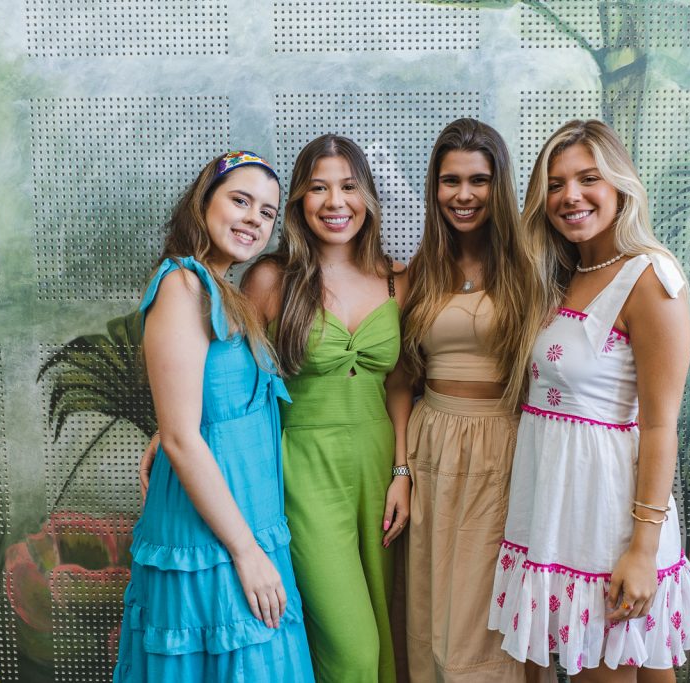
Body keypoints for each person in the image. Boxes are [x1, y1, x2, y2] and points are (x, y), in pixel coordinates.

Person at [487, 120, 690, 682]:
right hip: (563, 515)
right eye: (556, 184)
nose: (571, 196)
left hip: (611, 523)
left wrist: (641, 550)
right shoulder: (568, 271)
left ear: (619, 185)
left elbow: (659, 427)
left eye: (589, 179)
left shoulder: (650, 277)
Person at [114, 151, 314, 682]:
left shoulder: (225, 290)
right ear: (204, 202)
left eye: (268, 212)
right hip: (212, 537)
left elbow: (197, 405)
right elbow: (183, 439)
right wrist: (245, 552)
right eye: (241, 200)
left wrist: (173, 425)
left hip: (247, 518)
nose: (254, 218)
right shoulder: (182, 284)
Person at [240, 134, 411, 682]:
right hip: (305, 470)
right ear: (298, 201)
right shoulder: (271, 279)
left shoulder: (397, 280)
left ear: (368, 197)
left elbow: (401, 384)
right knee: (350, 645)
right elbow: (230, 375)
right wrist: (168, 429)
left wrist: (402, 472)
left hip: (380, 465)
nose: (335, 202)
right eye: (318, 188)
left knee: (389, 632)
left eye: (348, 186)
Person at [399, 118, 538, 682]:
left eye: (477, 180)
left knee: (485, 613)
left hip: (502, 444)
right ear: (434, 188)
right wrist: (401, 468)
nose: (463, 195)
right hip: (432, 444)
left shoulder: (530, 268)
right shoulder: (416, 272)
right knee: (431, 602)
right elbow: (400, 378)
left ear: (498, 185)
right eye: (449, 180)